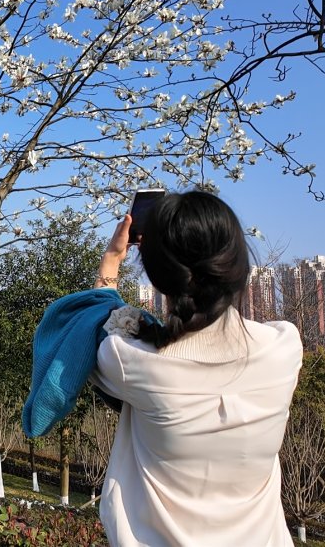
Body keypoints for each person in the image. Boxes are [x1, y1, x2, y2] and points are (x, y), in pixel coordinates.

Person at [87, 191, 303, 546]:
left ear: (159, 277)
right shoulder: (284, 348)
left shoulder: (132, 361)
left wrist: (111, 262)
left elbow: (92, 324)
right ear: (236, 265)